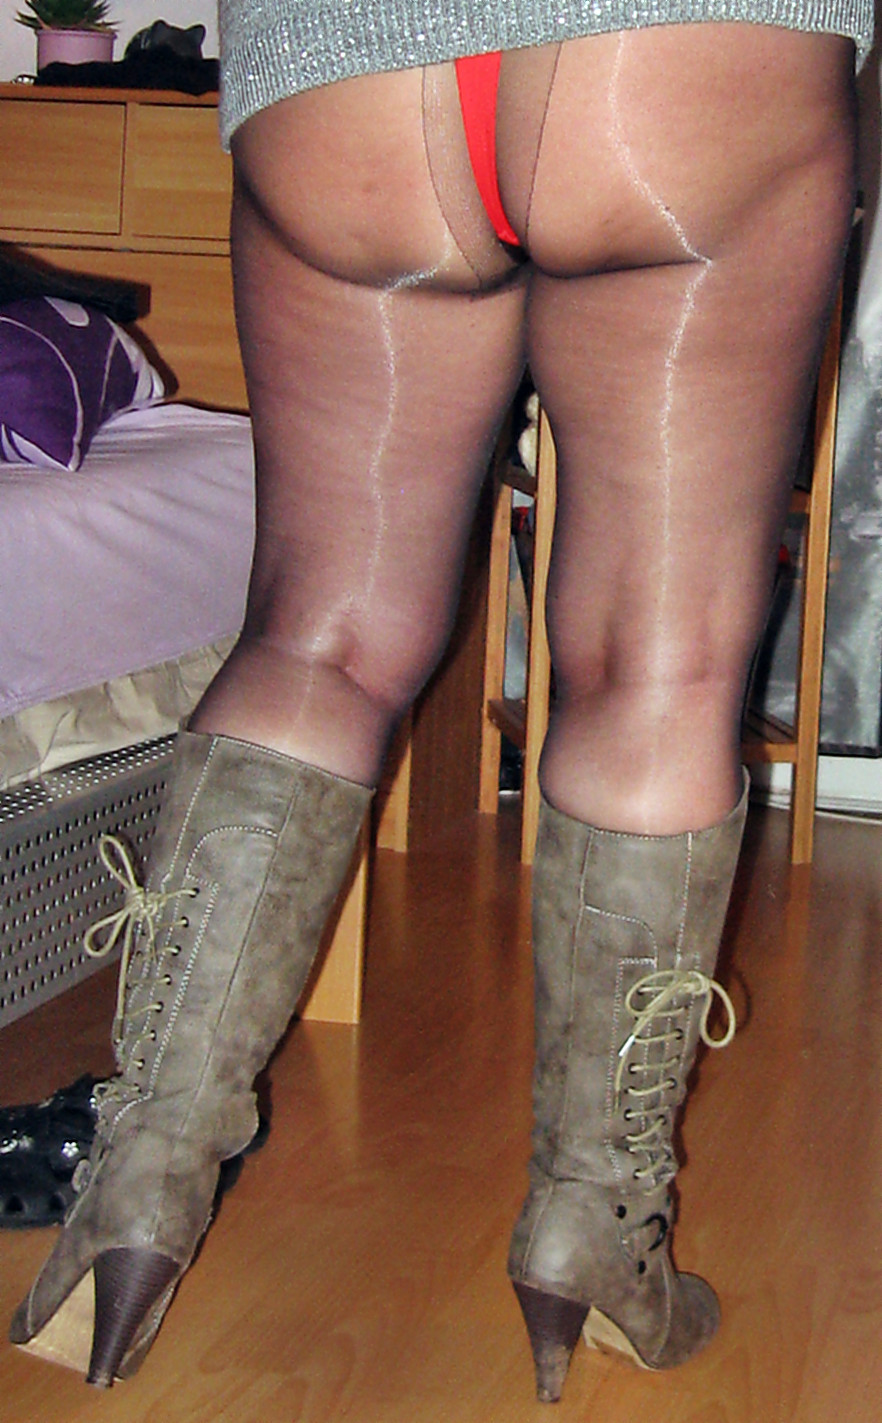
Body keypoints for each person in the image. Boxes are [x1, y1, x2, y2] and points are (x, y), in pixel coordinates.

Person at [9, 1, 874, 1401]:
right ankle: (593, 1230)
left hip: (346, 59)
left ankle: (139, 1179)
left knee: (318, 638)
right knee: (657, 667)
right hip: (684, 61)